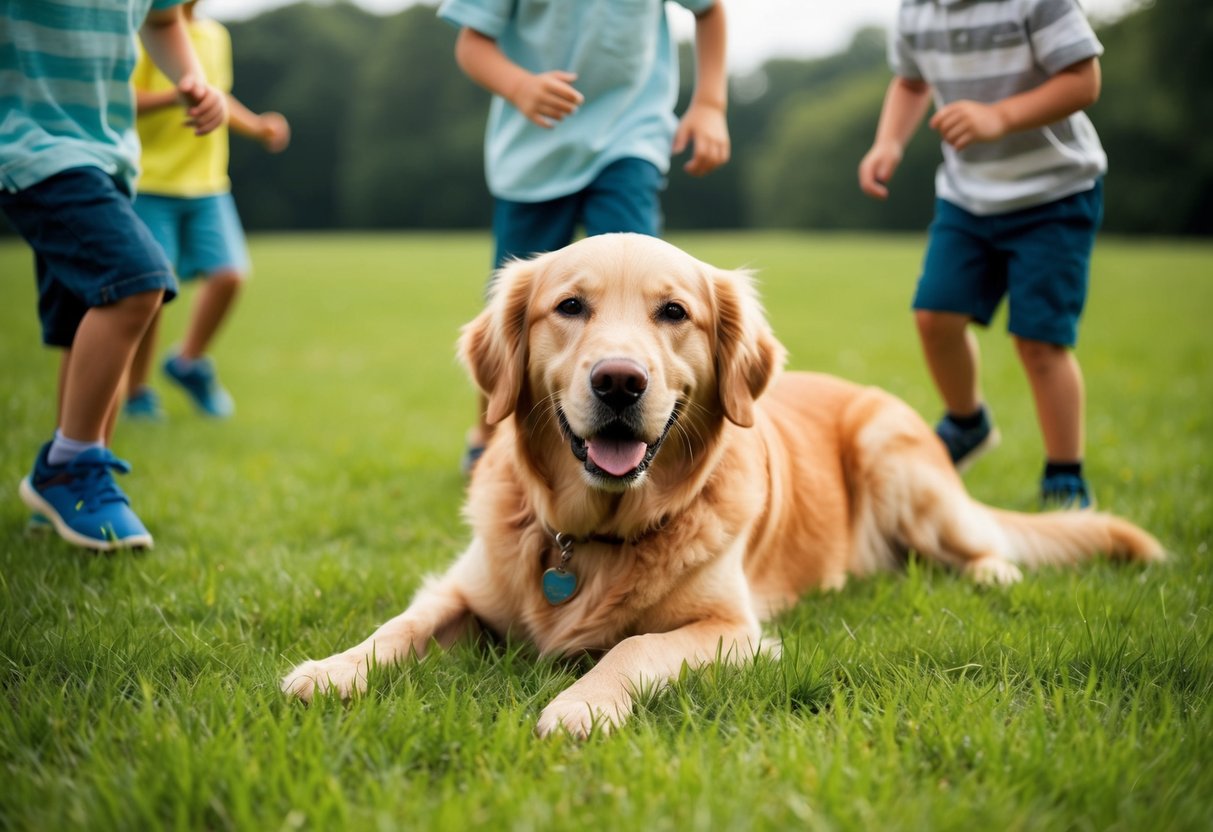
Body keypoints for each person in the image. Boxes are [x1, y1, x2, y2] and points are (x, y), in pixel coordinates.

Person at [437, 0, 731, 469]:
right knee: (515, 311)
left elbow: (709, 9)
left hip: (629, 139)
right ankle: (490, 435)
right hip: (533, 155)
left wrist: (711, 103)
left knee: (642, 291)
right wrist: (520, 86)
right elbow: (472, 44)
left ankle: (641, 421)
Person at [858, 0, 1107, 509]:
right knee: (934, 316)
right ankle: (967, 422)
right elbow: (910, 81)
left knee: (1040, 340)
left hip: (1054, 194)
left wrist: (1000, 116)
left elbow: (1084, 80)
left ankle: (1065, 472)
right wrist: (889, 143)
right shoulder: (916, 12)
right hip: (968, 198)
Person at [1, 2, 227, 550]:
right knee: (137, 278)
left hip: (110, 153)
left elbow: (163, 17)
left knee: (84, 313)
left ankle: (53, 502)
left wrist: (191, 77)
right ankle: (71, 466)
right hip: (31, 142)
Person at [124, 0, 291, 421]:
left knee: (229, 274)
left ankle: (188, 361)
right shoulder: (144, 29)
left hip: (208, 185)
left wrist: (256, 125)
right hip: (151, 183)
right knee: (151, 293)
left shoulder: (216, 35)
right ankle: (136, 392)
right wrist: (173, 96)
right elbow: (121, 98)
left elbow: (219, 97)